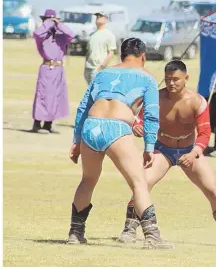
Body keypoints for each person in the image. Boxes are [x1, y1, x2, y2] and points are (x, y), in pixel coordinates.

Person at [117, 60, 216, 247]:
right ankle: (129, 230)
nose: (171, 83)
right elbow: (139, 119)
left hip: (189, 150)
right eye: (167, 79)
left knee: (213, 191)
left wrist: (194, 153)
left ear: (186, 78)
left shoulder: (197, 101)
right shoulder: (156, 98)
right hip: (162, 150)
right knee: (142, 185)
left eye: (175, 79)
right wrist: (137, 127)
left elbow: (204, 133)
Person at [67, 38, 173, 250]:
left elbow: (82, 109)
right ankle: (152, 237)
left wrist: (77, 141)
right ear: (143, 56)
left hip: (91, 126)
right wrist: (149, 147)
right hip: (116, 128)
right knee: (139, 183)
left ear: (121, 55)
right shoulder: (147, 78)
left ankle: (75, 234)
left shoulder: (103, 74)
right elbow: (152, 116)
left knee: (87, 180)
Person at [30, 9, 75, 133]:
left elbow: (72, 34)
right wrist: (48, 24)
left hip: (58, 68)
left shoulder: (62, 36)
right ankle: (37, 124)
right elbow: (37, 33)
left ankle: (48, 125)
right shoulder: (42, 37)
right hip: (46, 67)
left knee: (56, 97)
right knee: (42, 96)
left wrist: (58, 24)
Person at [84, 12, 117, 84]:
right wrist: (85, 66)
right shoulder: (91, 35)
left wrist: (101, 66)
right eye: (97, 16)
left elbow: (111, 53)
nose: (98, 18)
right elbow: (88, 52)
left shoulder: (109, 35)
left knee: (96, 92)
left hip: (98, 68)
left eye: (100, 16)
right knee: (90, 92)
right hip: (88, 67)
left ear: (106, 20)